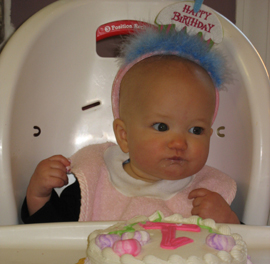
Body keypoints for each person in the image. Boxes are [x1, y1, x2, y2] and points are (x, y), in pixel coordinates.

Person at [21, 27, 240, 224]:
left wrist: (228, 221)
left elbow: (244, 252)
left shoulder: (209, 193)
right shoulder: (93, 181)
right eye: (162, 127)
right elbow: (53, 240)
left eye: (196, 130)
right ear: (124, 136)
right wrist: (39, 196)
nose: (179, 143)